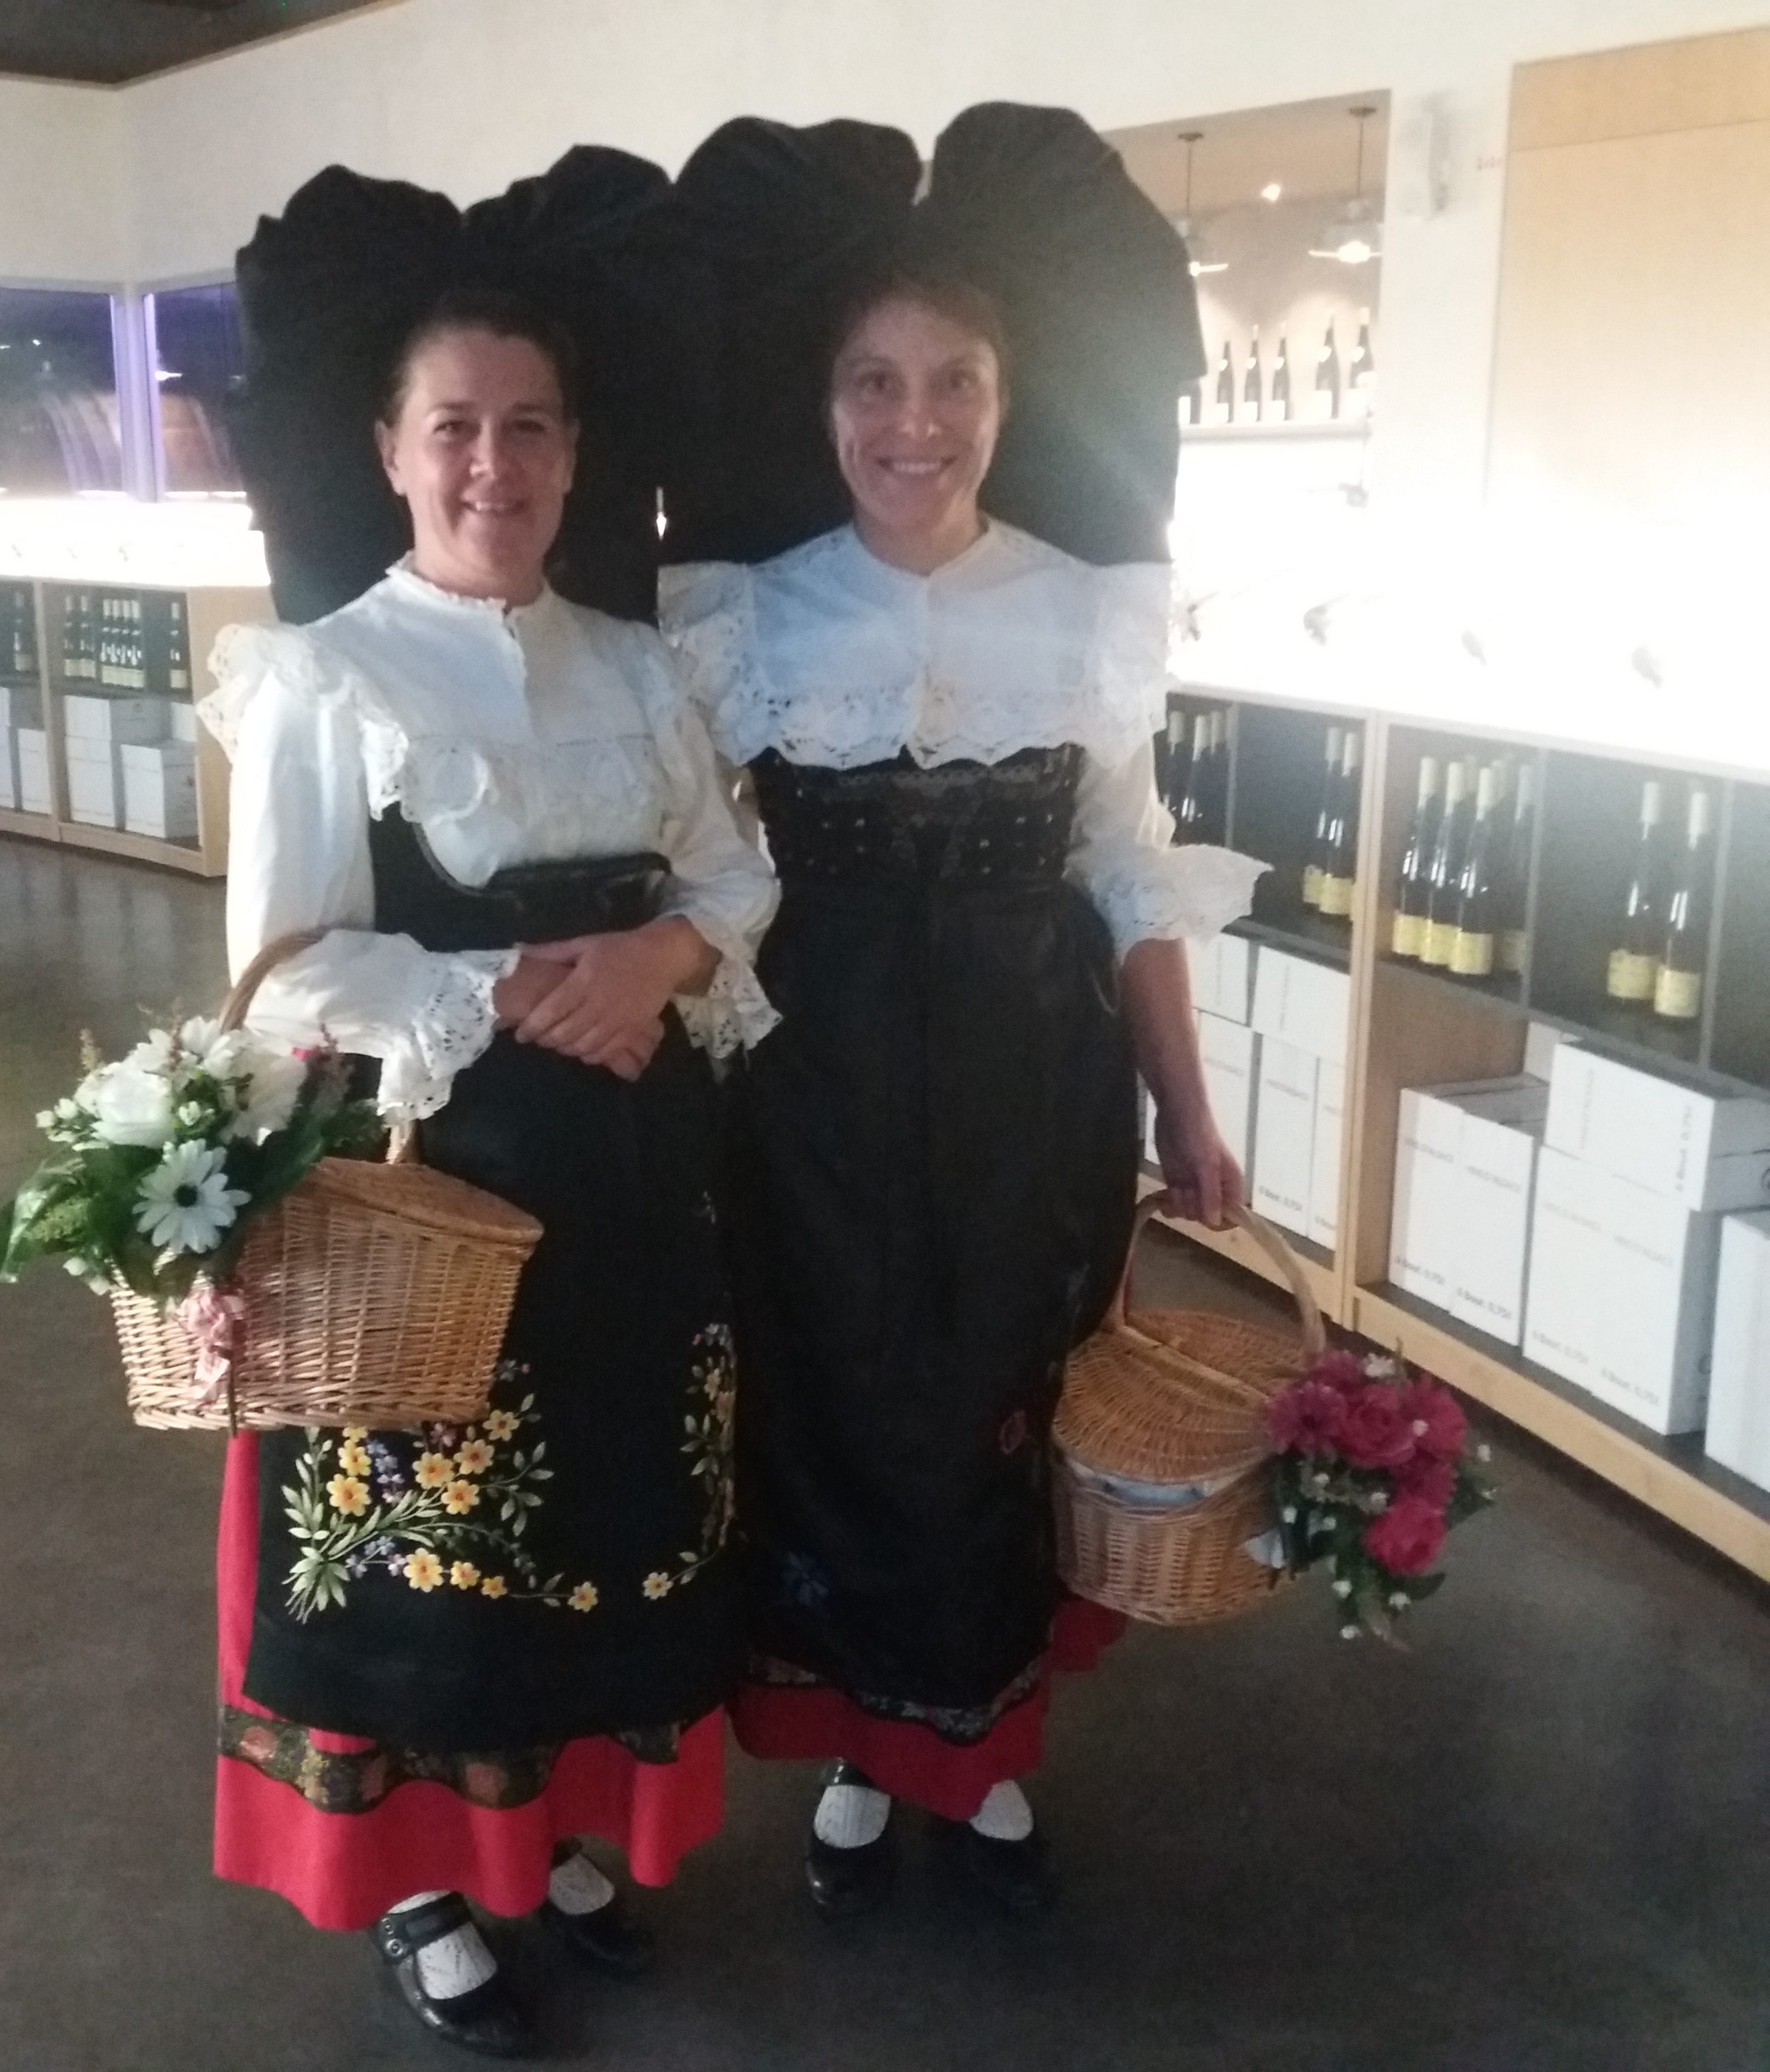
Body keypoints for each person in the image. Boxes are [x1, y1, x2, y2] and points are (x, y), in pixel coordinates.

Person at [203, 288, 777, 2059]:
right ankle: (427, 1883)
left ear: (575, 456)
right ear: (390, 452)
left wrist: (662, 960)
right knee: (439, 1567)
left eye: (529, 426)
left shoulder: (641, 668)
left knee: (599, 1527)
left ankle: (555, 1837)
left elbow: (735, 877)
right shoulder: (326, 675)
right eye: (452, 425)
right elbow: (285, 964)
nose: (492, 464)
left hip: (639, 1178)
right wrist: (508, 988)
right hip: (435, 1182)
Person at [662, 270, 1261, 1916]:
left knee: (1003, 1405)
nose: (912, 422)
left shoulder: (1083, 611)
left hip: (1030, 1081)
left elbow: (1126, 872)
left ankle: (985, 1742)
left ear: (1005, 403)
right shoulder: (747, 616)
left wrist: (1189, 1106)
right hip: (815, 1082)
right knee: (841, 1405)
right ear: (825, 405)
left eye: (954, 382)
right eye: (874, 381)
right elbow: (700, 867)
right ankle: (867, 1745)